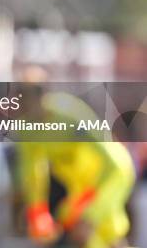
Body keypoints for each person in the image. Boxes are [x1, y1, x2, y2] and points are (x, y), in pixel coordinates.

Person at [15, 78, 135, 248]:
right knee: (91, 233)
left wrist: (89, 201)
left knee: (85, 225)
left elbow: (107, 155)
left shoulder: (68, 115)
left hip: (111, 175)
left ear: (42, 98)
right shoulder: (26, 128)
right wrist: (37, 212)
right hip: (82, 185)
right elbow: (33, 172)